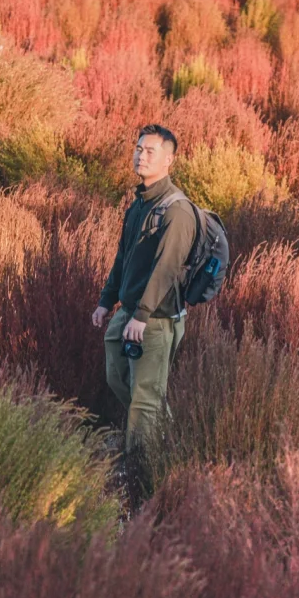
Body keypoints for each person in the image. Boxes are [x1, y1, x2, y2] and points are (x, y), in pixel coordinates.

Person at [91, 124, 196, 482]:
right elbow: (123, 257)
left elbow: (166, 270)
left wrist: (142, 314)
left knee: (146, 397)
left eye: (150, 151)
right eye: (138, 148)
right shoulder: (139, 204)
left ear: (169, 159)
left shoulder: (176, 211)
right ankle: (160, 431)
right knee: (118, 375)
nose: (141, 155)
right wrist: (107, 301)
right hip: (131, 311)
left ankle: (139, 470)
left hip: (156, 318)